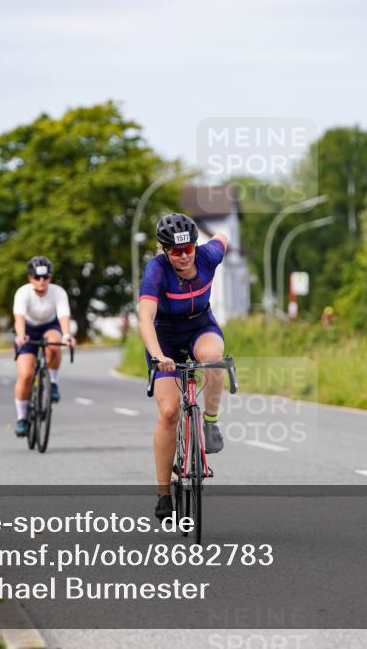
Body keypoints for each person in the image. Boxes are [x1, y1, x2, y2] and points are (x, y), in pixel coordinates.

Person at [138, 213, 228, 520]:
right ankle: (164, 493)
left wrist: (220, 236)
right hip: (164, 337)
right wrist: (157, 355)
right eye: (176, 251)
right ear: (164, 250)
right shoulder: (155, 270)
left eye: (188, 248)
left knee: (214, 360)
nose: (184, 256)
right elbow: (145, 319)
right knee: (168, 411)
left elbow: (223, 239)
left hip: (199, 326)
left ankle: (210, 421)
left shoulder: (208, 256)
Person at [11, 256, 75, 438]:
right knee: (25, 375)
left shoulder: (58, 292)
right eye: (37, 278)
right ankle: (22, 418)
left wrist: (67, 335)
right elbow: (19, 318)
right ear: (30, 278)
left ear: (50, 278)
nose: (41, 281)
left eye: (45, 277)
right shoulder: (23, 293)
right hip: (28, 329)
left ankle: (53, 382)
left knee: (54, 345)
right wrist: (21, 336)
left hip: (49, 326)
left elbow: (63, 316)